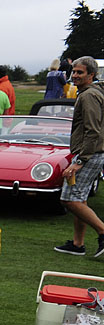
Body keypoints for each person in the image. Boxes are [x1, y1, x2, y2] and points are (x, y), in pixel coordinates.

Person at [55, 56, 104, 258]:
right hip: (92, 152)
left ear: (91, 75)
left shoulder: (88, 96)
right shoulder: (90, 92)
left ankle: (102, 231)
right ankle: (78, 244)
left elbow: (93, 130)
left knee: (69, 199)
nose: (74, 75)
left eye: (80, 72)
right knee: (80, 199)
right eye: (73, 71)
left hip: (90, 154)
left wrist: (81, 161)